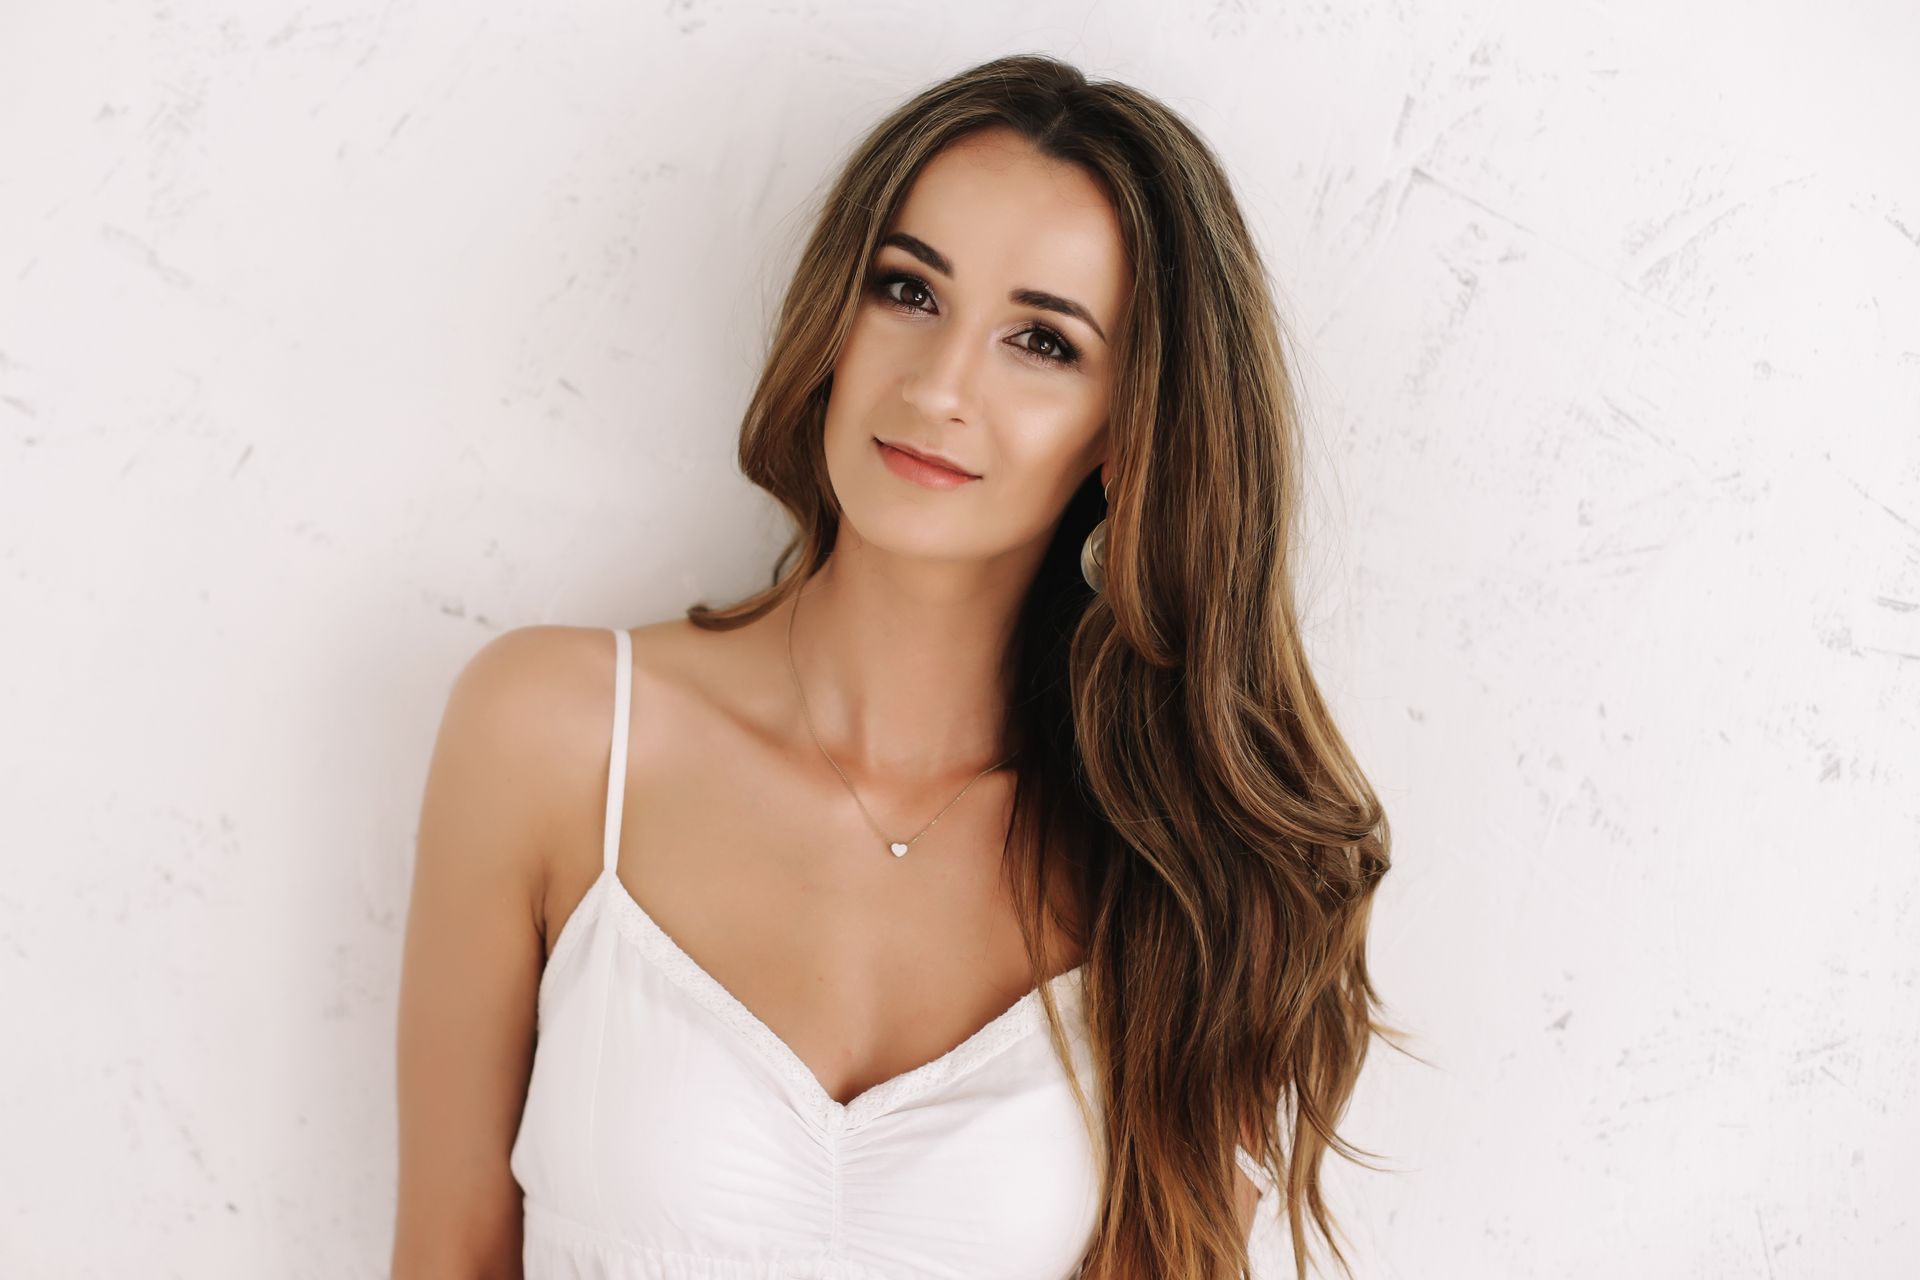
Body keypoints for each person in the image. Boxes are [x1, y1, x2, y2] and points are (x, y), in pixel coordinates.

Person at [391, 52, 1399, 1280]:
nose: (940, 385)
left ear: (1129, 433)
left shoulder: (1185, 875)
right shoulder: (554, 734)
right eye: (910, 292)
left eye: (1041, 339)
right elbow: (447, 1253)